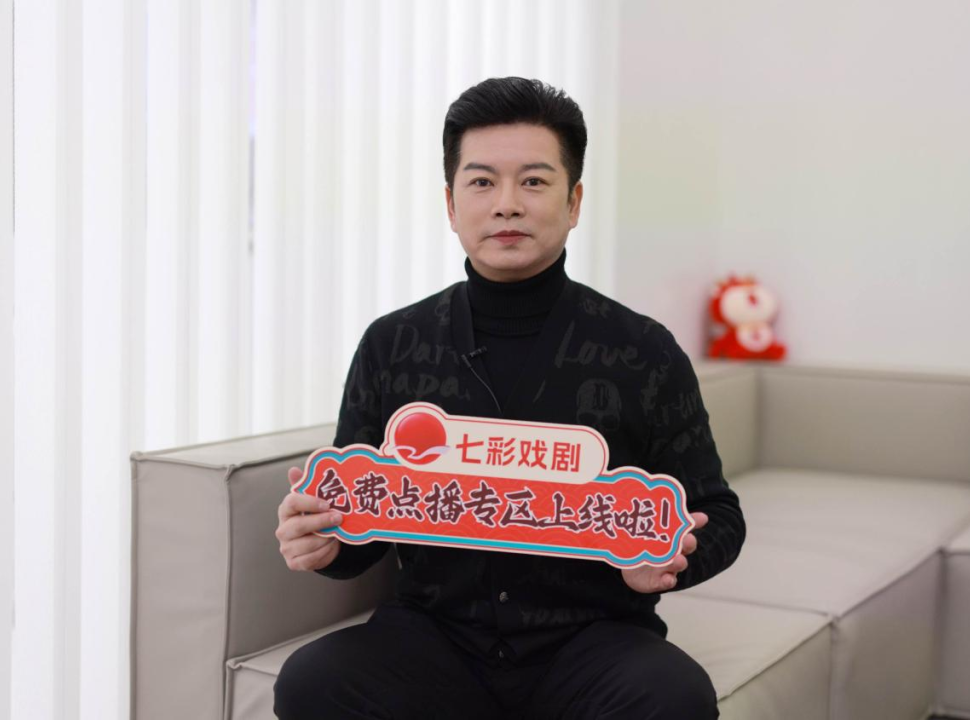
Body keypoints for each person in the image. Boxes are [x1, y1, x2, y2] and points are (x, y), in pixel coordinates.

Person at [272, 77, 745, 720]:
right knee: (312, 682)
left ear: (574, 202)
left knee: (674, 696)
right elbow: (364, 517)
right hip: (434, 637)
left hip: (592, 639)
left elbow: (718, 513)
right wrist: (326, 542)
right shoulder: (393, 344)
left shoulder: (643, 350)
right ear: (450, 204)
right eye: (482, 182)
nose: (506, 205)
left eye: (534, 181)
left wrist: (669, 561)